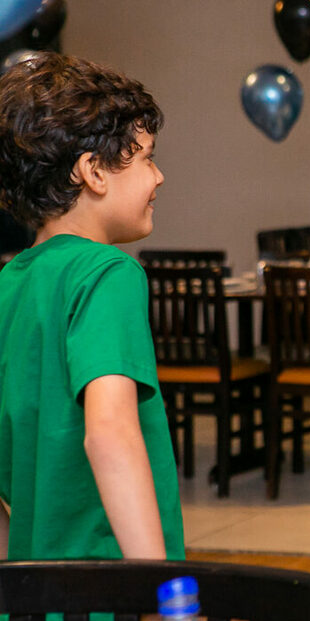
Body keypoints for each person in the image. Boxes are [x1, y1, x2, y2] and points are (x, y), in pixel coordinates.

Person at [0, 53, 184, 569]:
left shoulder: (9, 285)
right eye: (147, 158)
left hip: (31, 600)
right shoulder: (107, 273)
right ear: (93, 171)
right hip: (110, 598)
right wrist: (157, 592)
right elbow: (110, 433)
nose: (159, 176)